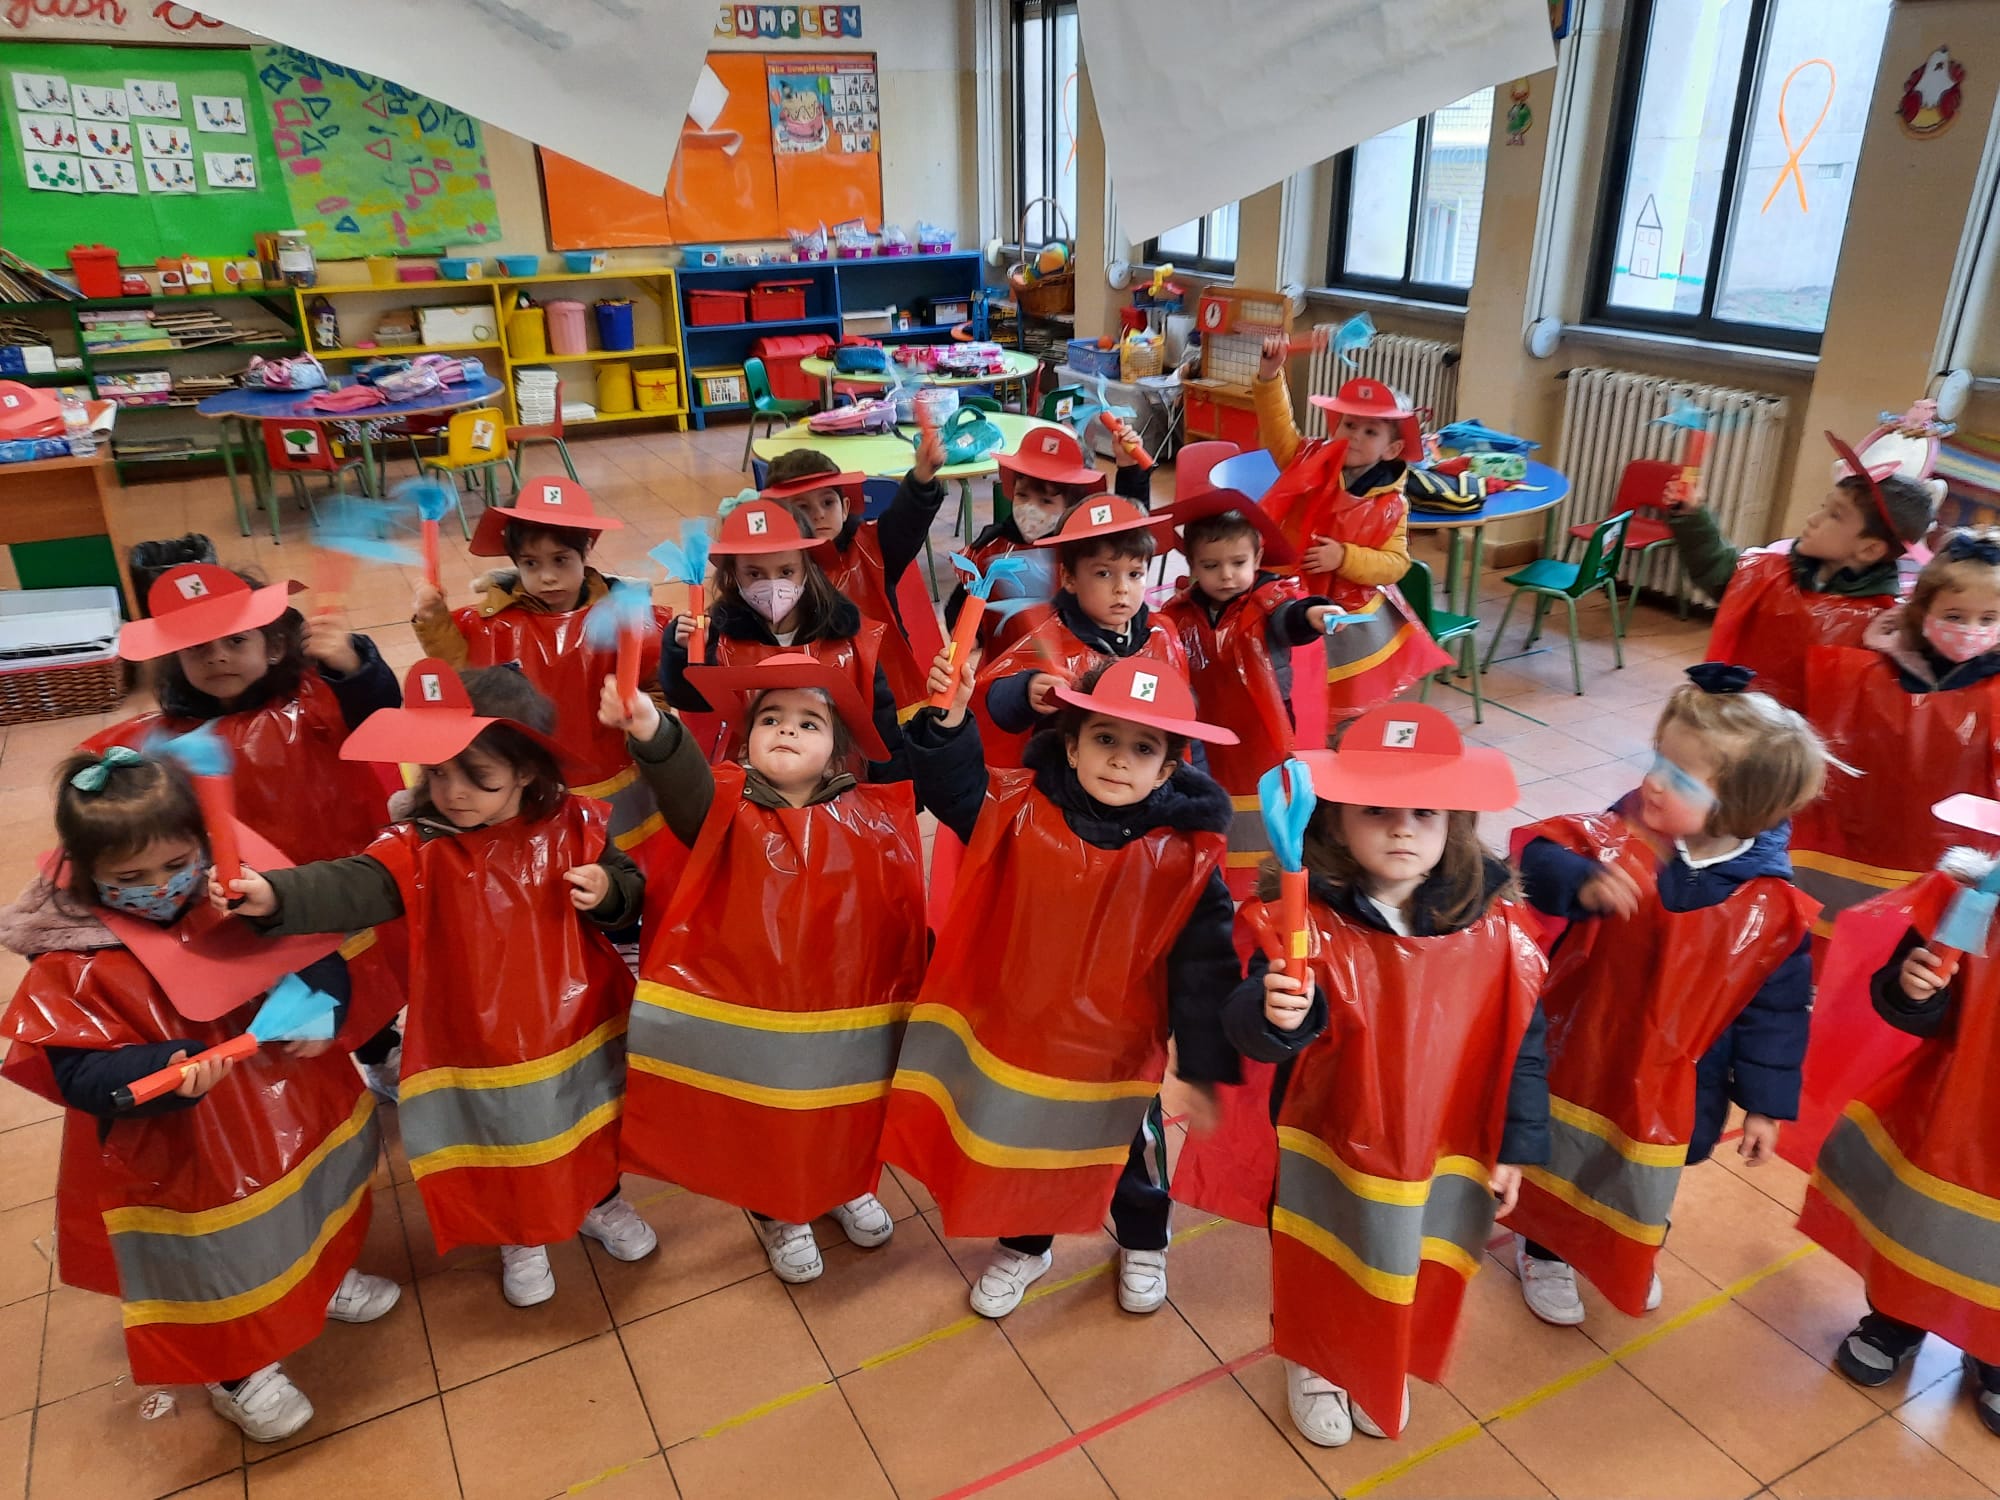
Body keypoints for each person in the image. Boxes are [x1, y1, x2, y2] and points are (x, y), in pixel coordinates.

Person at [215, 661, 657, 1308]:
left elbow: (631, 894)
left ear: (529, 769)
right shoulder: (419, 847)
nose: (453, 792)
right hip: (474, 1032)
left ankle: (600, 1200)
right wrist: (273, 894)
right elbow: (351, 883)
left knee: (587, 1117)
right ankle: (520, 1234)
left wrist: (610, 889)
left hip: (576, 1021)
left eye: (476, 776)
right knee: (503, 1132)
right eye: (439, 774)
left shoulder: (574, 826)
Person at [0, 749, 399, 1442]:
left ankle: (318, 1280)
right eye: (130, 878)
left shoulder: (232, 895)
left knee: (311, 1201)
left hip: (289, 1106)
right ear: (87, 874)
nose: (160, 887)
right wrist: (162, 1070)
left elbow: (316, 954)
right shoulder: (73, 960)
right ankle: (235, 1370)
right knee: (212, 1257)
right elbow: (78, 1077)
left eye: (175, 865)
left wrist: (323, 1005)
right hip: (182, 1145)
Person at [1219, 704, 1546, 1445]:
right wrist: (1277, 1013)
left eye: (1423, 812)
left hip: (1436, 1139)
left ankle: (1376, 1356)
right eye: (1377, 811)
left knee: (1405, 1252)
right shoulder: (1305, 920)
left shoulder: (1491, 927)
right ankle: (1313, 1356)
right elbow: (1253, 1027)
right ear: (1333, 822)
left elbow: (1522, 1040)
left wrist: (1517, 1144)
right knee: (1322, 1245)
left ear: (1455, 823)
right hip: (1327, 1136)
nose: (1402, 828)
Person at [885, 651, 1242, 1319]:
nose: (1118, 759)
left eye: (1142, 748)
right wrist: (951, 721)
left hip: (1121, 1051)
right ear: (1072, 745)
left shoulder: (1187, 858)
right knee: (1028, 1143)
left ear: (1169, 768)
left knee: (1133, 1151)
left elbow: (1207, 966)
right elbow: (957, 789)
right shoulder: (1019, 809)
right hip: (1029, 1037)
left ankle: (1143, 1239)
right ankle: (1025, 1243)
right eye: (1104, 739)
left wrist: (1201, 1059)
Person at [1504, 665, 1826, 1325]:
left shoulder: (1771, 903)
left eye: (1679, 778)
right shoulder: (1624, 833)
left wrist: (1764, 1105)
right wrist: (1582, 878)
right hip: (1585, 1040)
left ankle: (1631, 1240)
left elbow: (1776, 1008)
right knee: (1564, 1149)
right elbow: (1539, 856)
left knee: (1651, 1166)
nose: (1652, 781)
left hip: (1687, 1074)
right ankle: (1545, 1247)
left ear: (1739, 808)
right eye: (1657, 761)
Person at [598, 654, 924, 1283]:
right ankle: (779, 1210)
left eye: (809, 722)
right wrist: (653, 731)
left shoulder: (869, 815)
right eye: (771, 718)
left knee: (842, 1104)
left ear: (836, 754)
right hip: (749, 1012)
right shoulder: (719, 804)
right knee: (764, 1112)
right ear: (746, 738)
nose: (787, 730)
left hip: (838, 1012)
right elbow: (682, 781)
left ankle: (842, 1183)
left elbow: (895, 909)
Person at [88, 563, 409, 1100]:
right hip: (256, 894)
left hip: (342, 870)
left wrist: (354, 667)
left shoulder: (318, 697)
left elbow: (382, 719)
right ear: (176, 660)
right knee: (296, 988)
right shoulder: (168, 739)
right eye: (198, 649)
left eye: (236, 640)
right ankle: (330, 1078)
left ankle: (381, 1050)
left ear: (275, 646)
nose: (217, 657)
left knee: (371, 975)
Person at [1786, 528, 2000, 1157]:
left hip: (1950, 872)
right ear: (1922, 612)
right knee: (1837, 952)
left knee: (1917, 976)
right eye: (1955, 615)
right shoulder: (1876, 667)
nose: (1972, 630)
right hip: (1854, 846)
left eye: (1990, 618)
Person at [1798, 824, 2000, 1436]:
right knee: (1916, 1221)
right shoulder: (1972, 898)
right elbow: (1906, 995)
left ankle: (1992, 1349)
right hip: (1947, 1106)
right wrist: (1913, 989)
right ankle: (1896, 1316)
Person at [411, 477, 674, 874]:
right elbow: (463, 674)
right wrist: (433, 621)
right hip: (527, 783)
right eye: (531, 564)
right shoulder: (492, 624)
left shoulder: (625, 617)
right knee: (546, 867)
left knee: (618, 864)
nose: (547, 577)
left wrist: (643, 716)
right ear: (515, 562)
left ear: (586, 550)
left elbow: (656, 682)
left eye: (561, 560)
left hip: (613, 776)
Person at [1159, 463, 1337, 894]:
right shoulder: (1179, 612)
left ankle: (1268, 875)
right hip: (1208, 730)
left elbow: (1290, 616)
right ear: (1192, 566)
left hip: (1263, 728)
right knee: (1216, 794)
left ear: (1257, 559)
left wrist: (1314, 614)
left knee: (1264, 800)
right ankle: (1215, 866)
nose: (1225, 575)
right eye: (1211, 565)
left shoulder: (1267, 599)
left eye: (1238, 563)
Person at [1663, 430, 1934, 712]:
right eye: (1823, 507)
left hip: (1800, 746)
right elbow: (1718, 570)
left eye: (1835, 515)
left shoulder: (1880, 626)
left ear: (1869, 549)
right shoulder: (1774, 572)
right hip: (1737, 721)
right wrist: (1692, 516)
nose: (1813, 519)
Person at [658, 495, 907, 778]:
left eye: (786, 571)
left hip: (837, 787)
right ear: (733, 575)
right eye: (754, 574)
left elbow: (880, 722)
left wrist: (892, 788)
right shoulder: (719, 637)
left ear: (808, 566)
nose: (772, 585)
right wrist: (683, 655)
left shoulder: (850, 639)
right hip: (751, 792)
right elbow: (691, 701)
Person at [968, 496, 1188, 767]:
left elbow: (1184, 726)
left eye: (1134, 574)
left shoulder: (1162, 633)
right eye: (1104, 574)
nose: (1122, 588)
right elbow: (994, 704)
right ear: (1069, 578)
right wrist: (1027, 691)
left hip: (1143, 784)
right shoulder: (1049, 640)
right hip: (1068, 786)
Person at [758, 425, 947, 715]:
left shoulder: (874, 547)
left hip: (891, 699)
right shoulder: (775, 571)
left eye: (828, 502)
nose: (819, 513)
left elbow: (906, 522)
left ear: (845, 508)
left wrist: (922, 477)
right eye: (803, 506)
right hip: (815, 707)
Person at [1253, 337, 1415, 604]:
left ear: (1392, 449)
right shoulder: (1309, 461)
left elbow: (1396, 563)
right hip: (1289, 590)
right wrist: (1269, 376)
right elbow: (1277, 430)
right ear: (1335, 428)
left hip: (1347, 608)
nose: (1355, 437)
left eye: (1371, 432)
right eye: (1349, 425)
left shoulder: (1391, 504)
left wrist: (1344, 557)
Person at [944, 425, 1107, 647]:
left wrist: (1132, 473)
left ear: (1072, 506)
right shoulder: (992, 547)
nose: (1030, 509)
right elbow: (958, 605)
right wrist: (968, 634)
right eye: (1022, 496)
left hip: (1072, 660)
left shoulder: (1084, 549)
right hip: (1008, 663)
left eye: (1046, 501)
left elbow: (1129, 542)